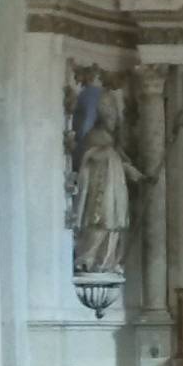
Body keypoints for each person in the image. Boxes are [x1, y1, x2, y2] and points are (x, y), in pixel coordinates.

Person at [74, 97, 143, 276]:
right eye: (109, 114)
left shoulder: (113, 142)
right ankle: (89, 260)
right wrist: (107, 153)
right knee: (100, 224)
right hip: (99, 191)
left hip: (115, 191)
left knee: (114, 227)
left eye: (114, 114)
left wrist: (137, 175)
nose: (112, 119)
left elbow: (123, 163)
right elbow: (87, 157)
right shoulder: (94, 136)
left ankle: (107, 263)